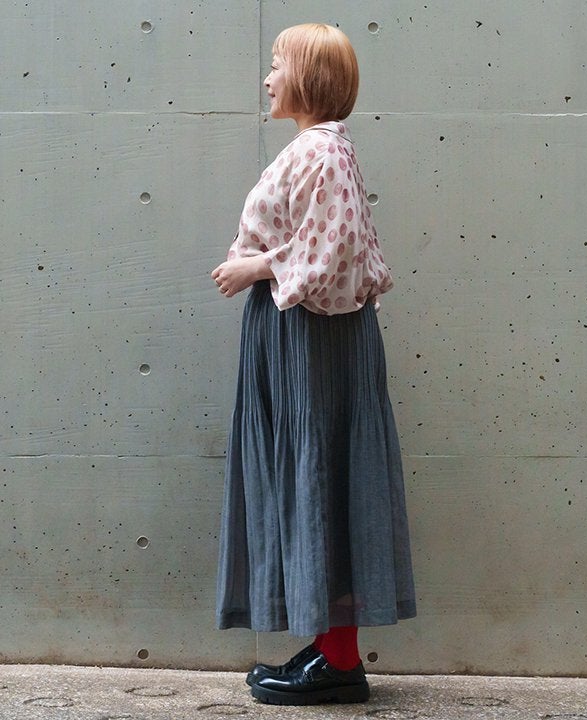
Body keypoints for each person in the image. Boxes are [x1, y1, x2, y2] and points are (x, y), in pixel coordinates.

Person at [211, 23, 416, 706]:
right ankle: (332, 648)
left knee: (321, 475)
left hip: (312, 340)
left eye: (278, 65)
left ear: (309, 78)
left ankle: (339, 660)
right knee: (317, 476)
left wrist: (255, 267)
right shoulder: (315, 149)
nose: (268, 78)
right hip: (300, 337)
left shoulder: (322, 152)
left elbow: (329, 259)